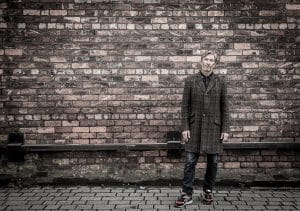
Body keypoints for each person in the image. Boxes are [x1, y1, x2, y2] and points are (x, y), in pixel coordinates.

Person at [175, 50, 229, 208]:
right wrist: (185, 127)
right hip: (194, 127)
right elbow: (185, 107)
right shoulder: (190, 81)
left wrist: (225, 129)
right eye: (206, 59)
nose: (208, 62)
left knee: (213, 162)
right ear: (201, 61)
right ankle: (187, 193)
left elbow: (225, 107)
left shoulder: (221, 82)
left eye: (211, 60)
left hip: (214, 128)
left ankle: (208, 191)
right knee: (190, 161)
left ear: (215, 64)